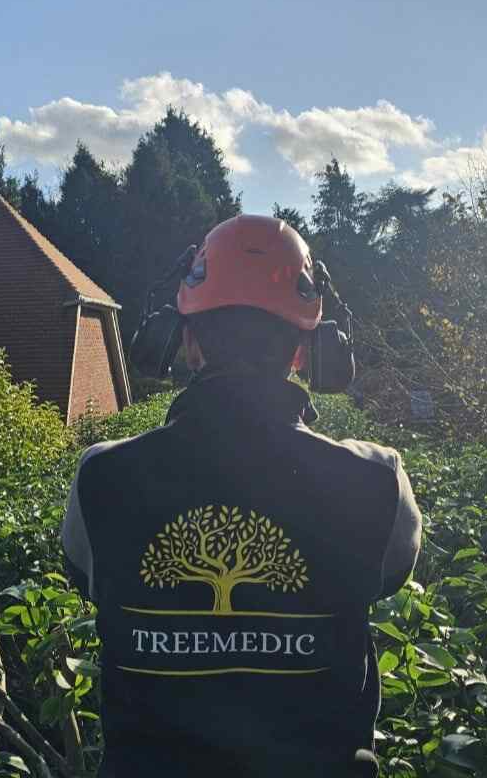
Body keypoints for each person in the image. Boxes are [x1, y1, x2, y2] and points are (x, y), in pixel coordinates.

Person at [61, 214, 422, 778]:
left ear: (186, 340)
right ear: (306, 351)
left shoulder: (101, 476)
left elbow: (86, 575)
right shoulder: (378, 480)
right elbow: (389, 573)